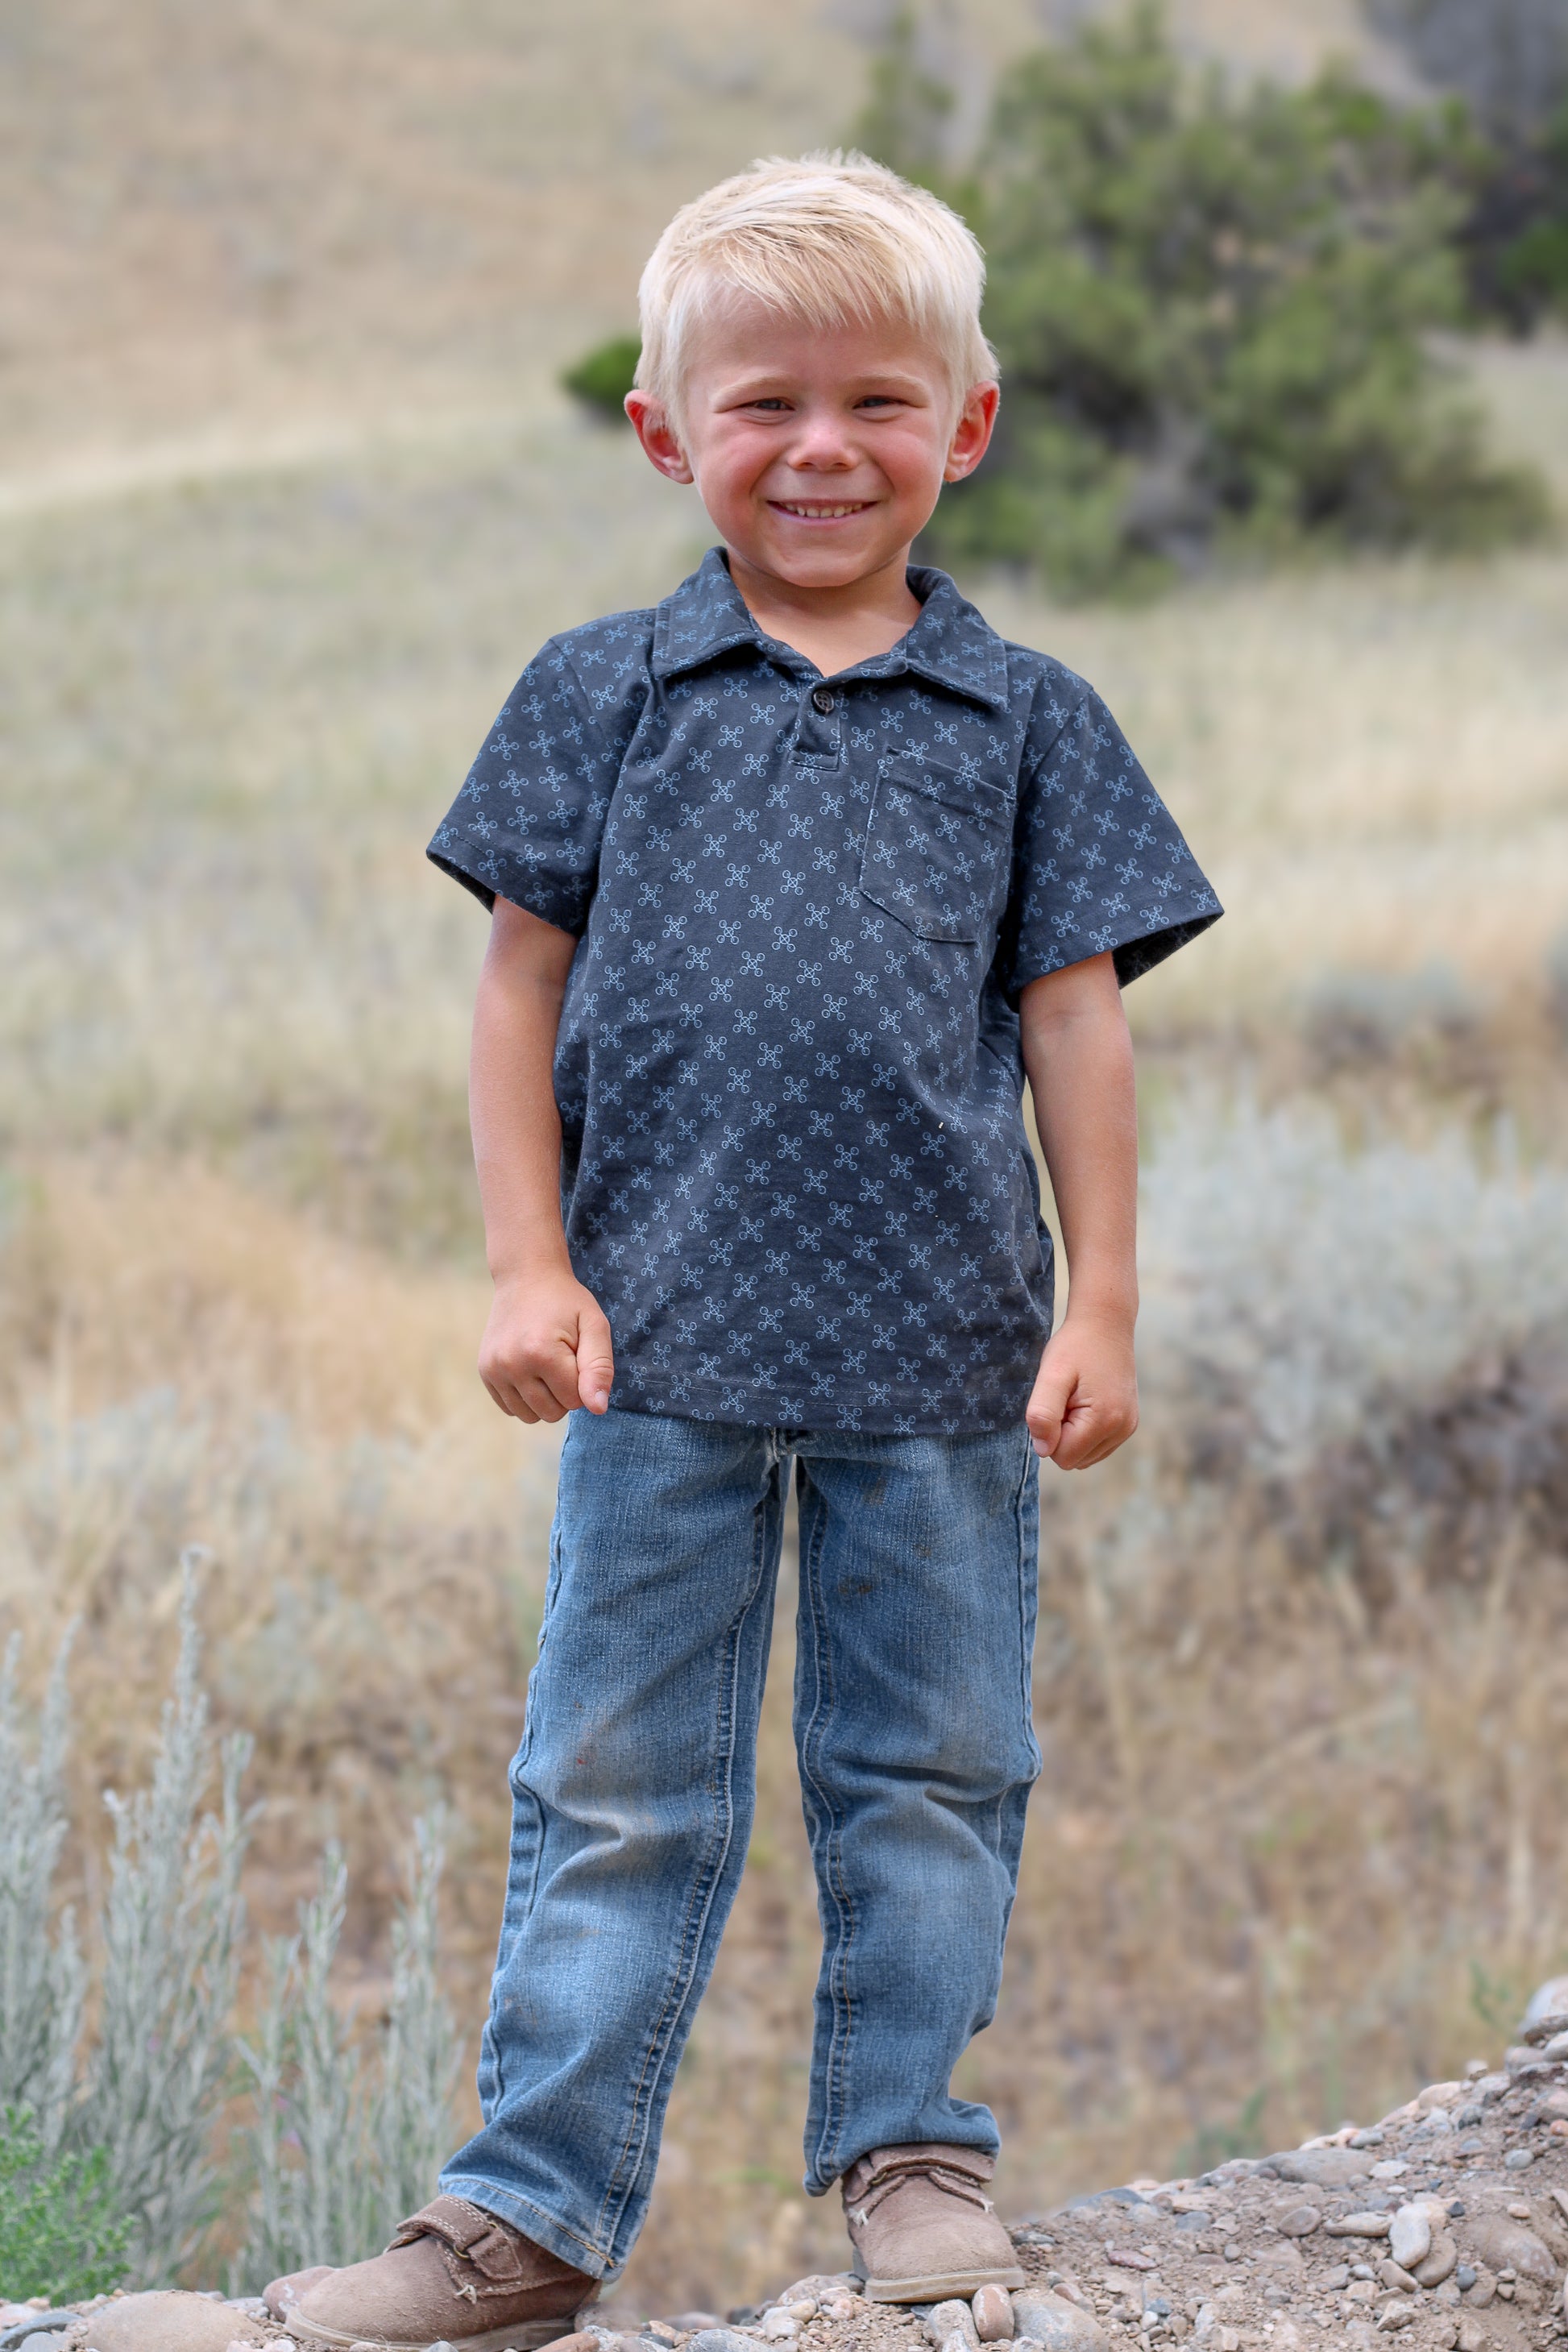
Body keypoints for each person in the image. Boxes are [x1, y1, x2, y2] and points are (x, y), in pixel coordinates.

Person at [270, 151, 1220, 2352]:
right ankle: (522, 2222)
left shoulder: (1030, 719)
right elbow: (515, 992)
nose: (821, 449)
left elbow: (1075, 1025)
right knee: (611, 1789)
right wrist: (527, 1269)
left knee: (930, 1776)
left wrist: (1100, 1302)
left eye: (878, 402)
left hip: (945, 1356)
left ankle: (913, 2158)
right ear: (662, 432)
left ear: (966, 423)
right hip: (655, 1347)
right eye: (764, 403)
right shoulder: (599, 692)